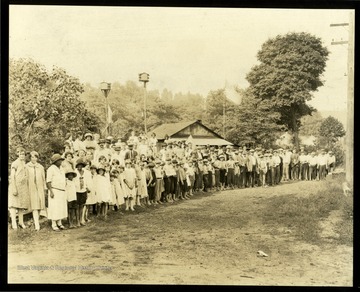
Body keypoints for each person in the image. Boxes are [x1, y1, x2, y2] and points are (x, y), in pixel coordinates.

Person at [8, 147, 30, 230]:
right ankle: (14, 223)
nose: (22, 155)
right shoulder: (15, 163)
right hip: (15, 186)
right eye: (20, 154)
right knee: (14, 206)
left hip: (23, 188)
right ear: (17, 154)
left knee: (21, 206)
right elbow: (12, 176)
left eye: (23, 154)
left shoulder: (24, 163)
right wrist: (14, 188)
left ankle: (21, 222)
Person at [46, 153, 67, 231]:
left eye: (61, 160)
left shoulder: (61, 169)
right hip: (54, 190)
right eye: (59, 160)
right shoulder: (51, 169)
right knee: (54, 207)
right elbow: (48, 181)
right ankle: (54, 224)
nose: (61, 162)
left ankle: (59, 222)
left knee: (60, 207)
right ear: (55, 161)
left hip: (61, 190)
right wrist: (51, 191)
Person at [26, 151, 47, 231]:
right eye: (32, 157)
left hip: (40, 187)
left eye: (35, 157)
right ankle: (37, 224)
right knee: (34, 206)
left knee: (39, 206)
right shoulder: (27, 166)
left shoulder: (40, 167)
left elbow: (43, 178)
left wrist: (44, 188)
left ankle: (36, 221)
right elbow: (26, 178)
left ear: (37, 158)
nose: (34, 158)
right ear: (30, 158)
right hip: (31, 188)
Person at [74, 158, 91, 226]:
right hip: (77, 191)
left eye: (81, 165)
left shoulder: (85, 172)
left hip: (83, 190)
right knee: (77, 206)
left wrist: (87, 188)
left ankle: (81, 220)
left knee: (82, 206)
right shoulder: (75, 172)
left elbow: (87, 181)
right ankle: (77, 221)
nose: (79, 167)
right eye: (78, 165)